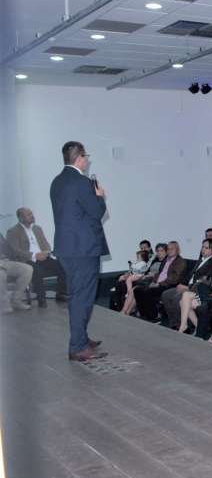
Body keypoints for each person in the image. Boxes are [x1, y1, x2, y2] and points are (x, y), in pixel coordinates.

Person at [50, 141, 109, 361]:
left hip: (67, 247)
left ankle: (81, 338)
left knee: (77, 295)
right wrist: (100, 195)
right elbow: (96, 212)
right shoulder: (82, 182)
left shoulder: (57, 182)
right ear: (80, 158)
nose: (87, 161)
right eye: (86, 157)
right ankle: (78, 346)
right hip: (83, 249)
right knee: (82, 297)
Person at [7, 207, 67, 306]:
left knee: (62, 265)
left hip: (42, 257)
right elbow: (15, 250)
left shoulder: (37, 228)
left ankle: (61, 293)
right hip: (27, 260)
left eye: (31, 213)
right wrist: (35, 255)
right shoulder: (13, 231)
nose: (32, 216)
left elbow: (45, 244)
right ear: (21, 218)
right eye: (28, 214)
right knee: (36, 270)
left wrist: (46, 253)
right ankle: (41, 297)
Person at [0, 234, 33, 313]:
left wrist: (2, 243)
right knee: (1, 273)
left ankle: (15, 300)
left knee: (27, 269)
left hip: (2, 263)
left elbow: (9, 253)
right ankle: (3, 302)